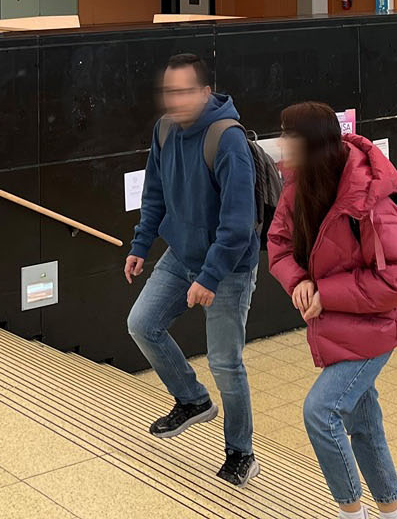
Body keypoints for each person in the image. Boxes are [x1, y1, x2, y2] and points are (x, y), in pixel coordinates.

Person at [267, 102, 397, 519]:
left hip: (377, 324)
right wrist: (299, 280)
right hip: (342, 325)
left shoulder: (368, 199)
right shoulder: (298, 186)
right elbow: (279, 244)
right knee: (364, 424)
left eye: (288, 135)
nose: (281, 144)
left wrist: (328, 294)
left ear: (311, 144)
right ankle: (392, 513)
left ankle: (351, 512)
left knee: (322, 411)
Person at [125, 52, 260, 488]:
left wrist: (210, 277)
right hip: (181, 254)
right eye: (169, 92)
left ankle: (241, 451)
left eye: (184, 91)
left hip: (229, 267)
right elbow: (155, 193)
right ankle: (192, 399)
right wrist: (141, 244)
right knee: (142, 324)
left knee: (225, 362)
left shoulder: (228, 140)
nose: (175, 100)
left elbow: (239, 225)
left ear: (206, 92)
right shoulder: (164, 130)